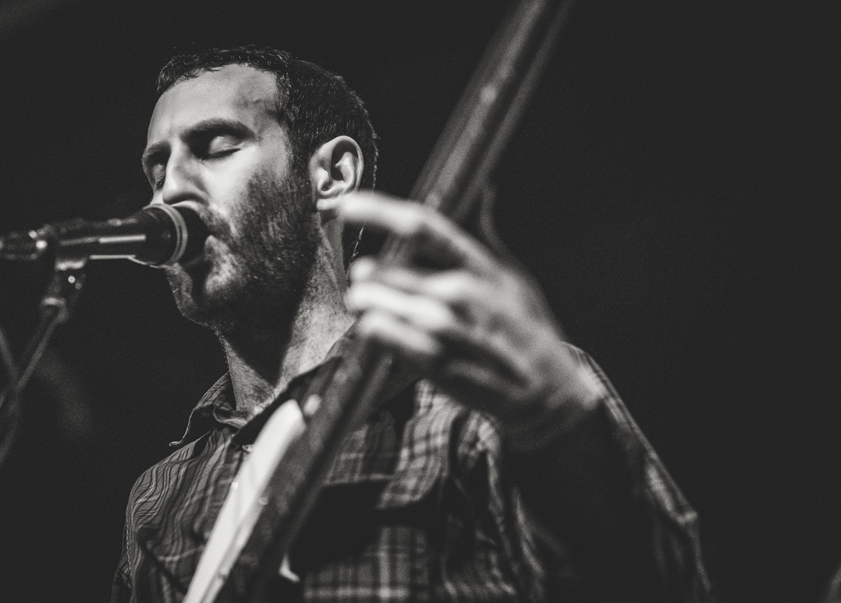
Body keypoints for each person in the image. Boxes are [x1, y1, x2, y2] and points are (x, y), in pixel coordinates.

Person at [110, 45, 711, 602]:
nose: (170, 191)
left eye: (215, 146)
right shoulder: (159, 497)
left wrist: (556, 423)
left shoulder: (483, 395)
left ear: (331, 176)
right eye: (157, 170)